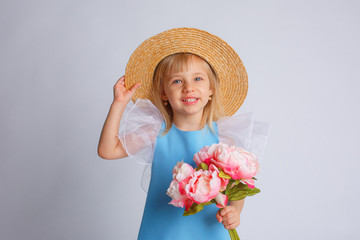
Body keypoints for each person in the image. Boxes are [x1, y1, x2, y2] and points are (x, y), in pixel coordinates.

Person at [98, 28, 269, 239]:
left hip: (209, 231)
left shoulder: (225, 137)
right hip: (162, 232)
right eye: (177, 81)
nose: (188, 87)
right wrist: (118, 104)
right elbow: (107, 150)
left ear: (211, 90)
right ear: (163, 94)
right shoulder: (154, 133)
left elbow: (237, 186)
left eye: (198, 79)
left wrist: (236, 210)